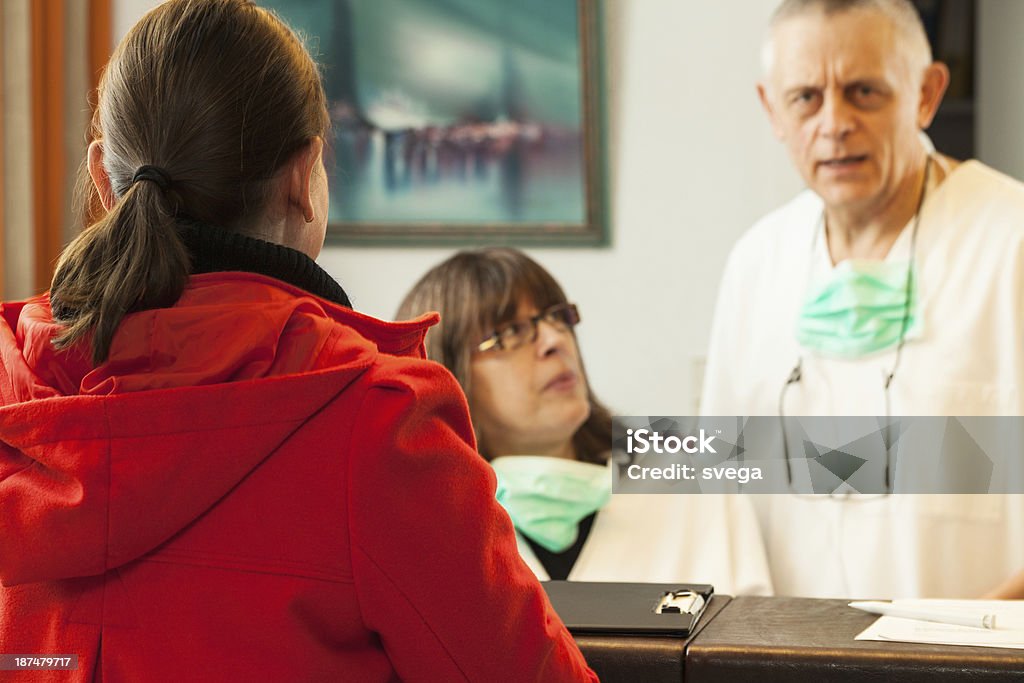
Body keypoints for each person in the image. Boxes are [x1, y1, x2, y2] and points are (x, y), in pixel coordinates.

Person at [0, 2, 598, 681]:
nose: (549, 343)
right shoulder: (374, 421)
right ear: (303, 177)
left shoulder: (17, 397)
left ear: (105, 178)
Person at [701, 0, 1024, 599]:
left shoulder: (1011, 242)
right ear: (772, 108)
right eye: (805, 97)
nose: (833, 123)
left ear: (926, 94)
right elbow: (721, 482)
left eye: (864, 92)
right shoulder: (756, 262)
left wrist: (967, 651)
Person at [398, 248, 772, 594]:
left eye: (557, 317)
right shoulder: (422, 524)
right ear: (445, 375)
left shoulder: (694, 469)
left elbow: (755, 645)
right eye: (510, 332)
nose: (554, 340)